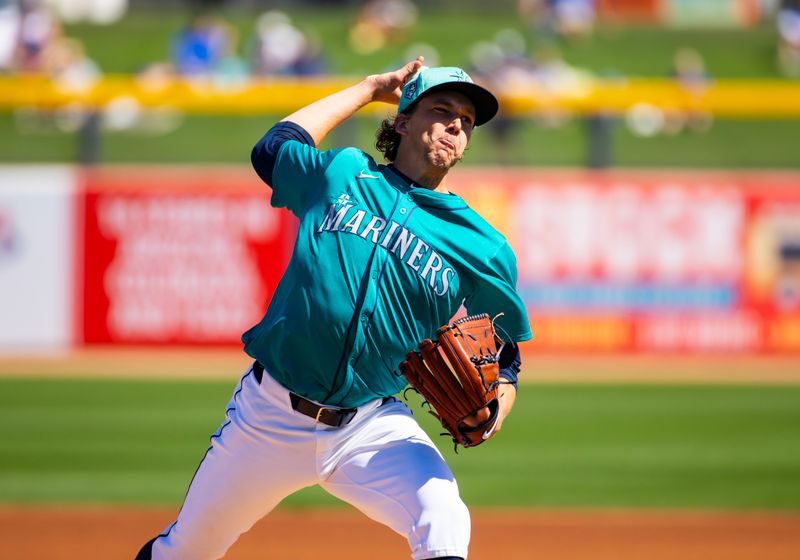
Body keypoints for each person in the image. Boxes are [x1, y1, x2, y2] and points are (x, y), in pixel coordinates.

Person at [135, 57, 532, 560]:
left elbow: (507, 352)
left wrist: (497, 404)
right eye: (441, 109)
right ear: (404, 119)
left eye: (467, 121)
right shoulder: (343, 173)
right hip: (270, 415)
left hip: (370, 426)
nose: (457, 124)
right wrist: (368, 88)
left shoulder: (482, 244)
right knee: (185, 552)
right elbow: (272, 149)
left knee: (445, 517)